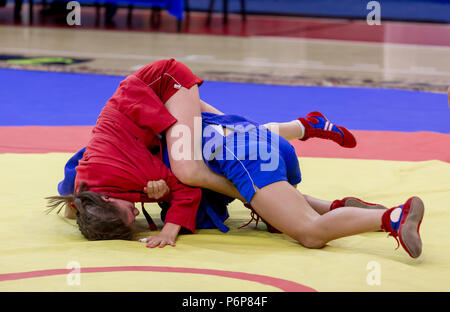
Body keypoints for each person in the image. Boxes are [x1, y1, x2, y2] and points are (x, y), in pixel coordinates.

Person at [46, 59, 424, 258]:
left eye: (133, 212)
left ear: (107, 196)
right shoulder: (86, 182)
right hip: (203, 122)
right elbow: (70, 200)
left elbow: (184, 185)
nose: (138, 211)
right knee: (223, 136)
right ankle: (306, 131)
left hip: (162, 90)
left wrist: (169, 227)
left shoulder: (128, 170)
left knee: (190, 169)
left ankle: (384, 216)